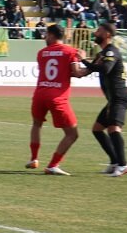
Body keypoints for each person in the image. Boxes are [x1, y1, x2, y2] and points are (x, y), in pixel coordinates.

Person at [27, 24, 89, 175]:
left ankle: (34, 158)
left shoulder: (41, 53)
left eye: (46, 35)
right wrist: (90, 65)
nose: (44, 38)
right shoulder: (70, 52)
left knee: (36, 124)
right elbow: (77, 73)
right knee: (72, 134)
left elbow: (58, 71)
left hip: (40, 94)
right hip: (57, 97)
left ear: (52, 35)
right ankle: (53, 165)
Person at [82, 22, 127, 176]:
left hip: (119, 98)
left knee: (113, 129)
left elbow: (105, 69)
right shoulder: (102, 54)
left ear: (107, 35)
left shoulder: (111, 52)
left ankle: (123, 165)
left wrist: (84, 60)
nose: (96, 33)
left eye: (99, 31)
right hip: (112, 99)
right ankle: (115, 161)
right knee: (97, 129)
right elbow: (87, 71)